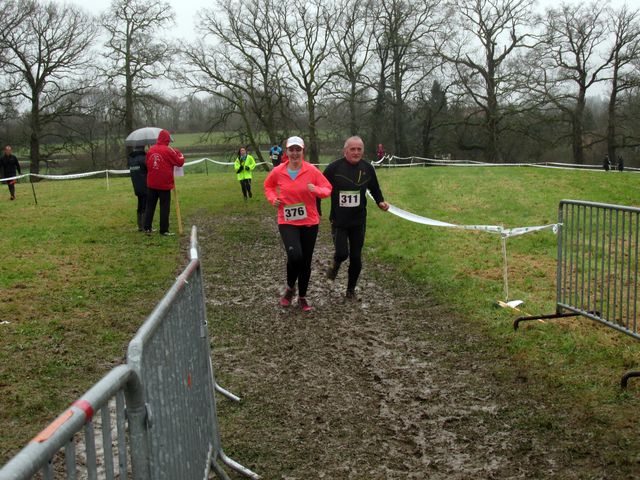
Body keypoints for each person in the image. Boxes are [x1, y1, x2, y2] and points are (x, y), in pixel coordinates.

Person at [264, 136, 332, 312]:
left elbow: (327, 188)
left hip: (309, 221)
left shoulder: (312, 170)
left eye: (298, 150)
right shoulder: (278, 171)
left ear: (303, 151)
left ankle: (302, 296)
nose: (294, 153)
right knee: (295, 256)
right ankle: (289, 288)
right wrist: (273, 199)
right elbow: (268, 186)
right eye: (291, 150)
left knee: (306, 262)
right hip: (287, 220)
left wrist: (316, 190)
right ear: (286, 152)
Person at [323, 135, 389, 299]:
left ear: (363, 151)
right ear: (345, 151)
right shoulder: (334, 168)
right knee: (341, 253)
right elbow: (320, 186)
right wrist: (315, 207)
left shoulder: (368, 168)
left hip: (358, 220)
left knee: (356, 257)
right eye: (352, 149)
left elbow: (374, 188)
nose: (356, 152)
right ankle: (334, 266)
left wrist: (380, 201)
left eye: (359, 149)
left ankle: (350, 290)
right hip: (339, 220)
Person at [143, 129, 184, 236]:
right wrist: (178, 153)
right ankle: (164, 230)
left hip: (151, 183)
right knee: (164, 207)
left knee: (150, 206)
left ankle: (147, 227)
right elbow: (180, 162)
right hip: (164, 184)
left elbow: (147, 163)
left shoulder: (151, 150)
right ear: (167, 139)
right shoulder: (169, 150)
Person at [127, 146, 148, 231]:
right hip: (145, 184)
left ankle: (140, 225)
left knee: (140, 204)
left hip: (136, 185)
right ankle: (145, 226)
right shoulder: (144, 158)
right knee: (145, 206)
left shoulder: (131, 159)